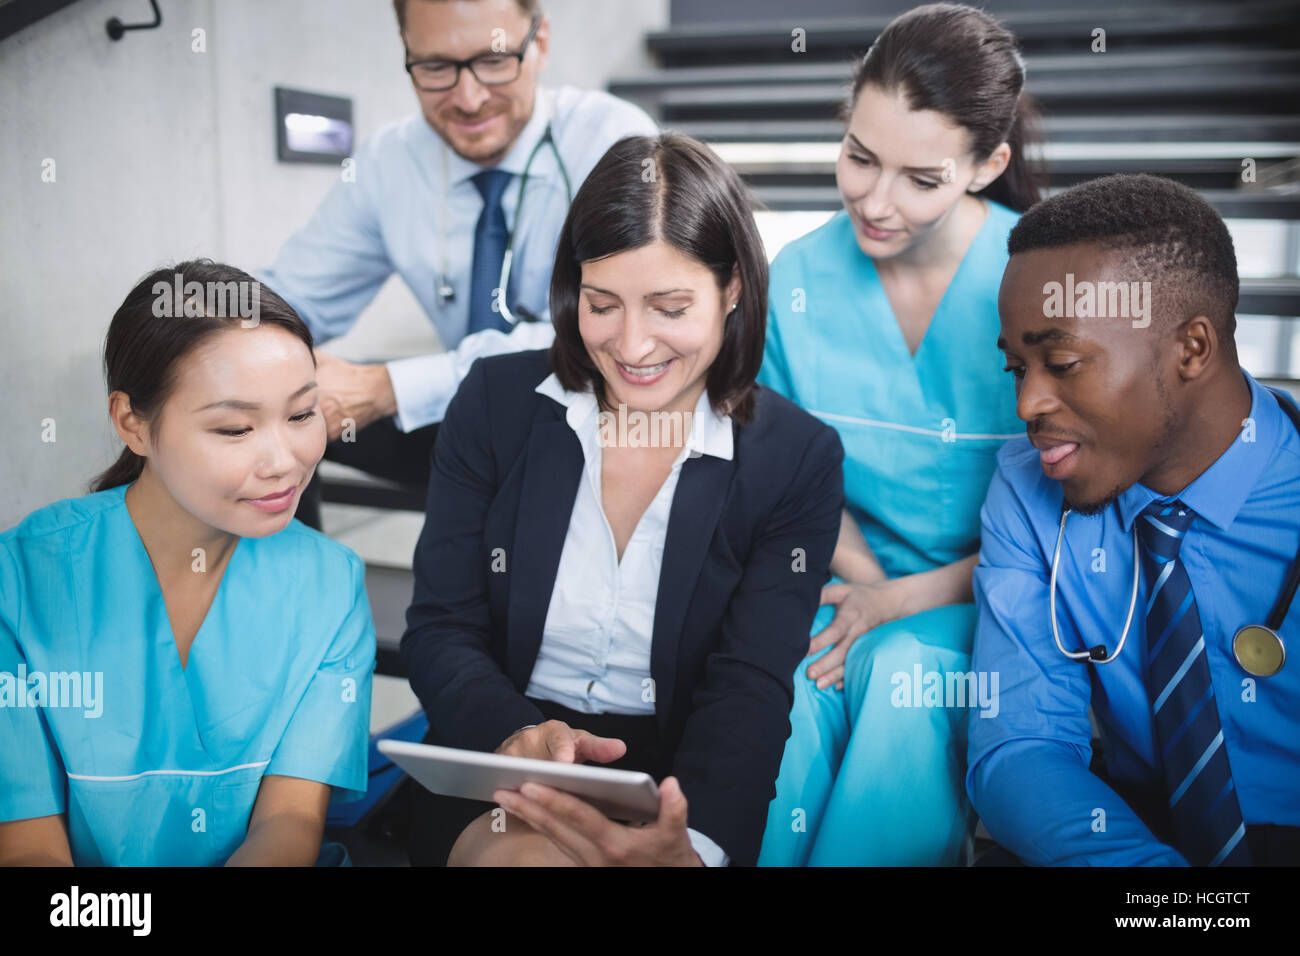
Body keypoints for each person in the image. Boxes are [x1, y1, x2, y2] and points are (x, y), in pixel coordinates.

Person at [400, 132, 845, 866]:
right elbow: (442, 627)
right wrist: (515, 735)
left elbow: (749, 688)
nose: (632, 346)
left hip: (672, 781)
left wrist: (693, 848)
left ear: (732, 288)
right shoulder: (496, 404)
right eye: (603, 304)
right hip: (503, 753)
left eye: (669, 307)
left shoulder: (795, 458)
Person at [756, 2, 1043, 866]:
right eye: (858, 158)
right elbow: (790, 470)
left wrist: (900, 607)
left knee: (907, 681)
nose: (874, 204)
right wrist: (869, 591)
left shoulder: (1038, 273)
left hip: (1003, 586)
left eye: (921, 179)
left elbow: (1072, 507)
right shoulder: (799, 276)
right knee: (789, 688)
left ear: (988, 164)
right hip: (842, 577)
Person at [968, 173, 1300, 866]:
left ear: (1193, 349)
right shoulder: (1027, 492)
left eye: (1061, 362)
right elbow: (1020, 749)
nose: (1028, 403)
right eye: (1016, 368)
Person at [0, 261, 375, 866]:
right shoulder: (20, 580)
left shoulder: (330, 585)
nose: (283, 461)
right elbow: (25, 848)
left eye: (303, 415)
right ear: (133, 424)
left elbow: (289, 822)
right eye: (234, 428)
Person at [258, 0, 658, 529]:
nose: (468, 99)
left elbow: (605, 337)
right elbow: (292, 297)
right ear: (407, 54)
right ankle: (292, 602)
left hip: (595, 417)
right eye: (436, 68)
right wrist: (233, 344)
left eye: (493, 62)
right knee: (283, 411)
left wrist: (389, 387)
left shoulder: (613, 140)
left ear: (538, 44)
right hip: (467, 415)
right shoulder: (389, 161)